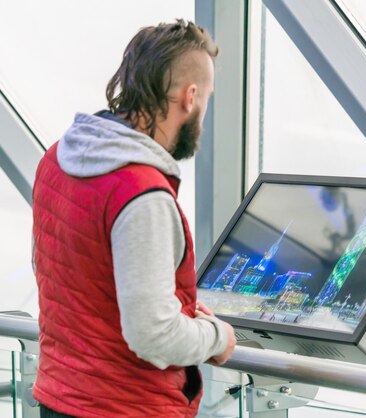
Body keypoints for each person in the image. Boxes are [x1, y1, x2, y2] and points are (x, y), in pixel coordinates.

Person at [31, 19, 236, 417]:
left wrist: (180, 316)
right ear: (190, 97)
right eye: (206, 102)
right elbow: (152, 335)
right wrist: (216, 336)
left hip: (59, 398)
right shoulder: (142, 194)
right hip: (124, 407)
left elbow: (71, 278)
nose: (204, 121)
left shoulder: (57, 159)